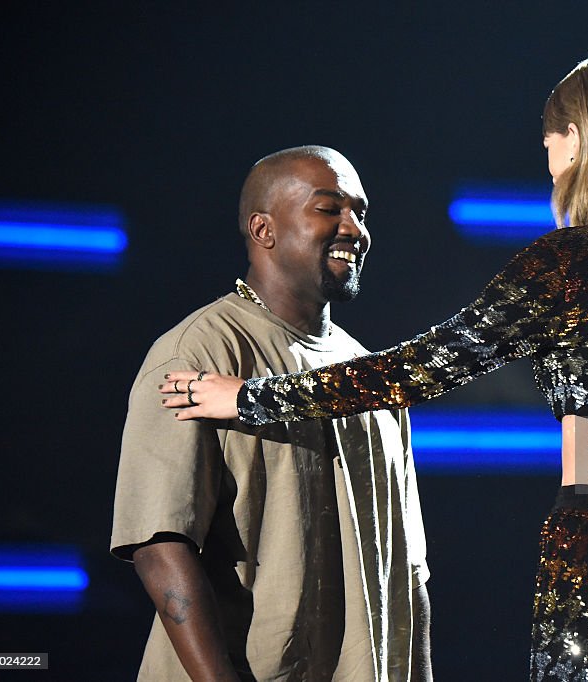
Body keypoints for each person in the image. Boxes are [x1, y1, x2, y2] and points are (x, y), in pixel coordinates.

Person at [161, 55, 588, 681]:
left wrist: (251, 400)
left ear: (576, 142)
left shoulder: (562, 265)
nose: (549, 164)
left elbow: (418, 369)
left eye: (550, 144)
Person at [112, 145, 432, 681]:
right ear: (264, 230)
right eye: (330, 209)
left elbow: (409, 571)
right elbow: (159, 545)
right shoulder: (198, 354)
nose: (354, 228)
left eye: (361, 212)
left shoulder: (367, 375)